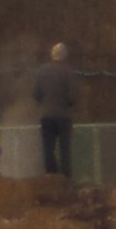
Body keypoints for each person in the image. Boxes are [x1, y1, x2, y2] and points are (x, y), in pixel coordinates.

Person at [32, 42, 77, 177]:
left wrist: (45, 103)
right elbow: (72, 96)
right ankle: (66, 180)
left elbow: (36, 94)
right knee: (65, 150)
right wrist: (67, 104)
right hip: (63, 117)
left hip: (46, 116)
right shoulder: (68, 71)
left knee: (48, 150)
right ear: (65, 56)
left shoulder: (41, 70)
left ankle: (51, 178)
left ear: (52, 55)